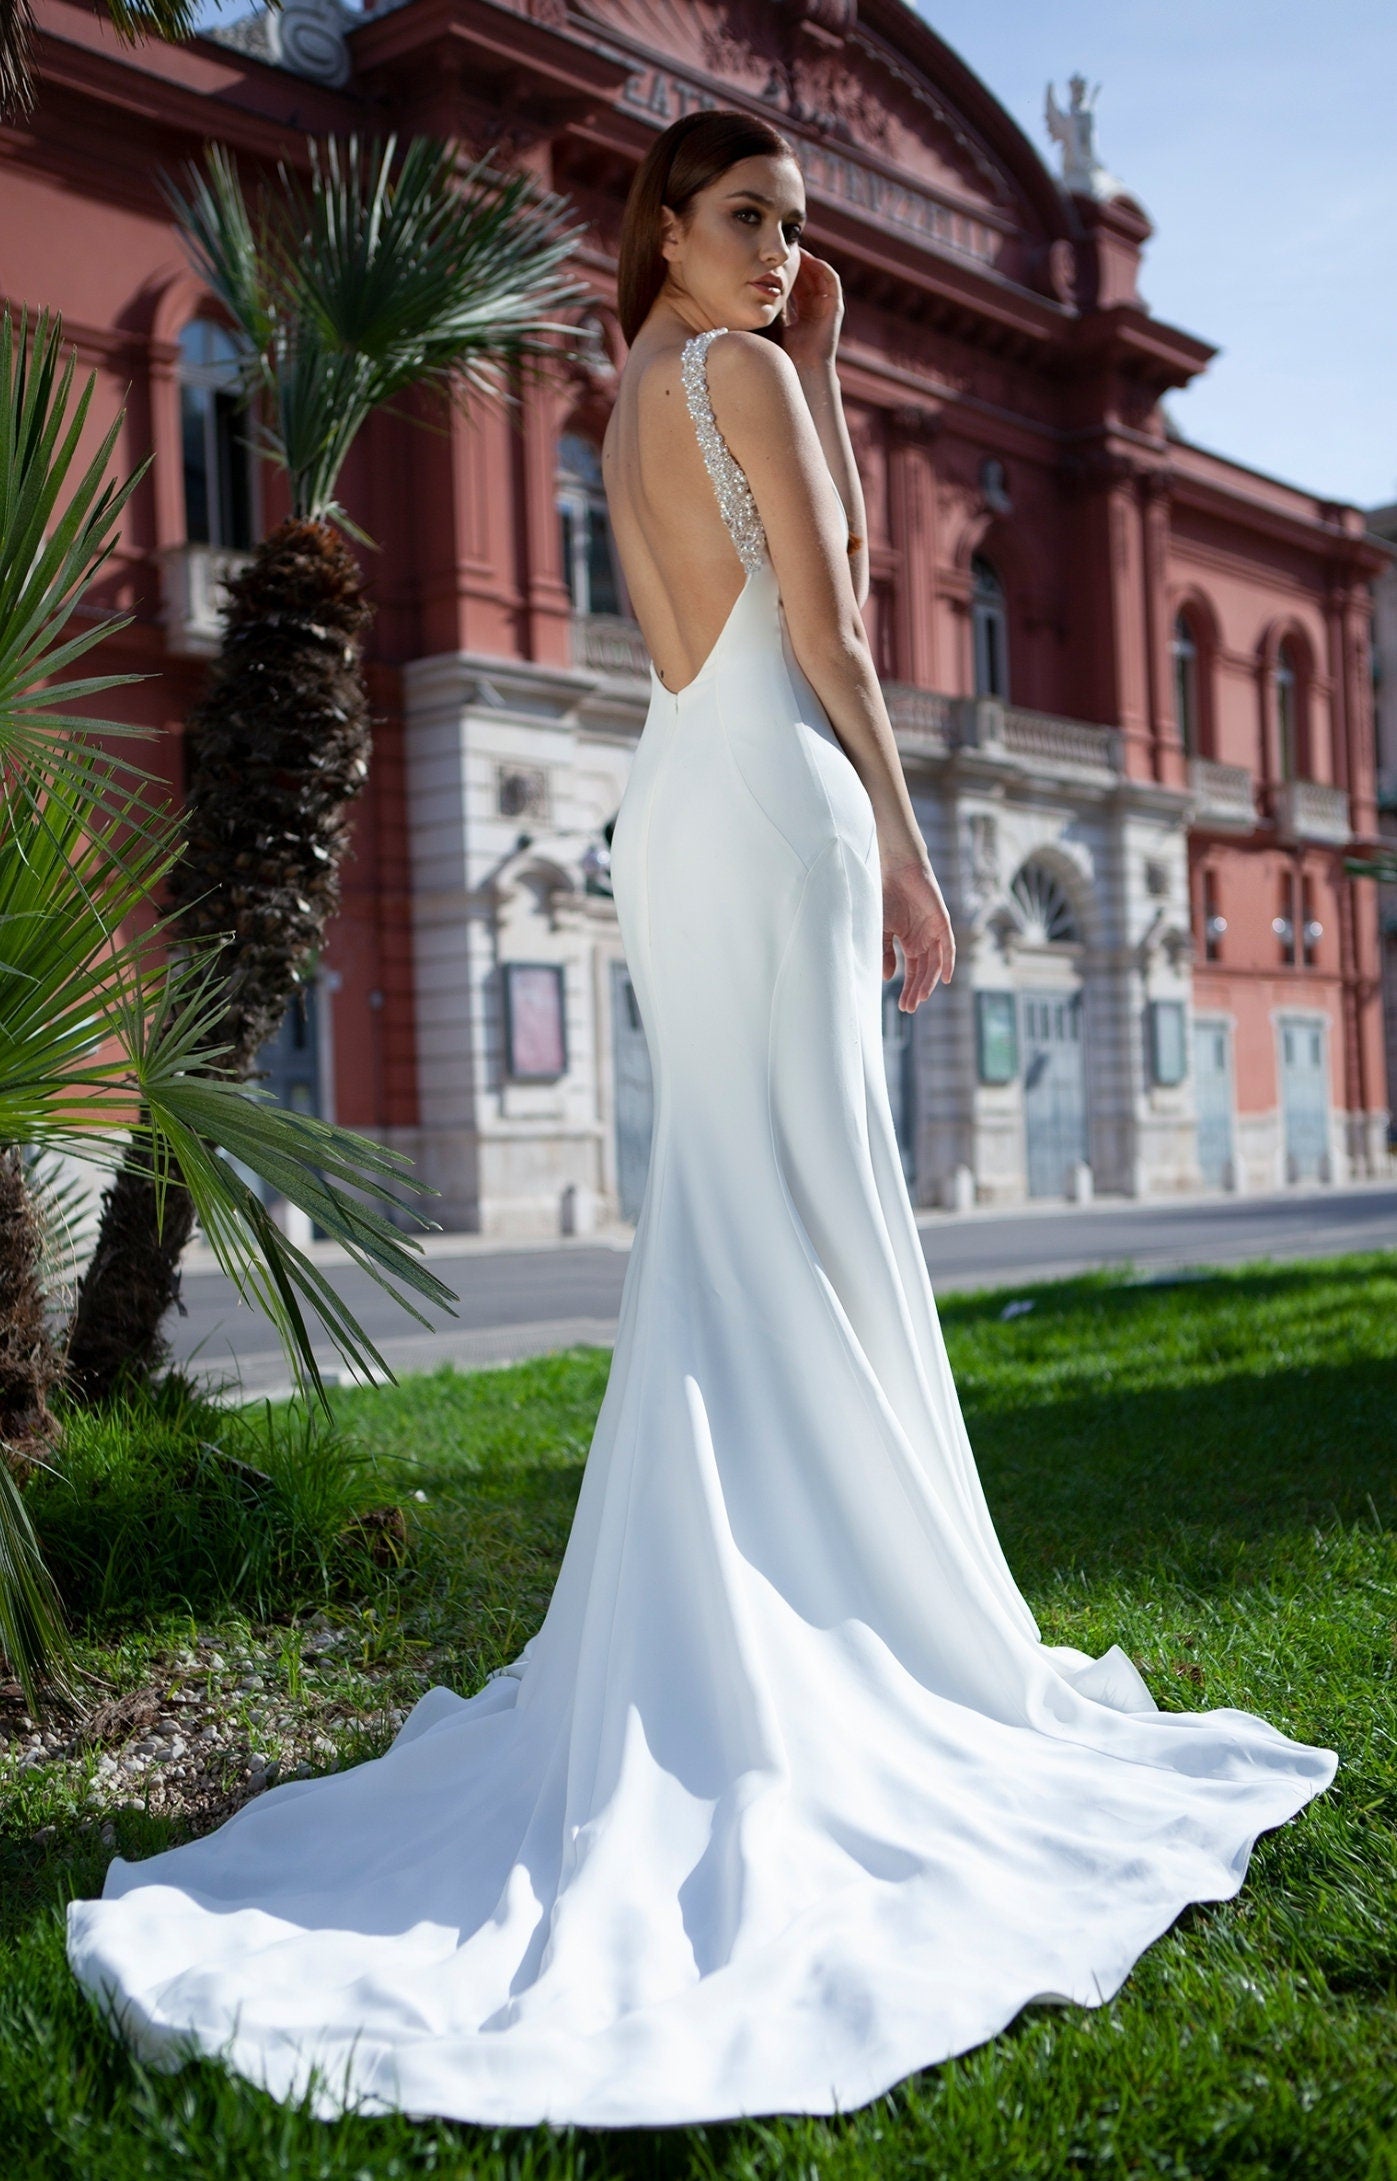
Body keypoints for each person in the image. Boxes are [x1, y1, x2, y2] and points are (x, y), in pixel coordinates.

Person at [66, 110, 1337, 2132]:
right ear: (664, 222)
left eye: (799, 228)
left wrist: (803, 358)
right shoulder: (742, 366)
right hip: (781, 789)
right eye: (750, 219)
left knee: (744, 1218)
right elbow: (832, 611)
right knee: (816, 1208)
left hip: (676, 789)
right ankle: (855, 1613)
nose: (780, 253)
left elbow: (740, 595)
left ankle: (746, 1596)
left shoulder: (637, 380)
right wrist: (915, 848)